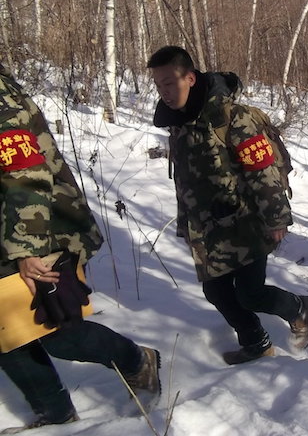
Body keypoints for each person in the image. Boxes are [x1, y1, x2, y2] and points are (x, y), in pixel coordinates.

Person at [0, 65, 160, 433]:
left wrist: (28, 248)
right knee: (6, 334)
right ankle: (56, 415)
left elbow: (26, 172)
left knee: (58, 331)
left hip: (38, 230)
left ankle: (137, 361)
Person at [147, 46, 308, 365]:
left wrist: (277, 218)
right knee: (217, 293)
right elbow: (188, 179)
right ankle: (256, 342)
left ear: (190, 79)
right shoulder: (179, 123)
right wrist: (188, 223)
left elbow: (262, 170)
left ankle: (298, 308)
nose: (163, 92)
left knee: (250, 293)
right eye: (158, 85)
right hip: (207, 228)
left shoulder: (232, 118)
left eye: (169, 83)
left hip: (246, 221)